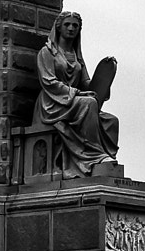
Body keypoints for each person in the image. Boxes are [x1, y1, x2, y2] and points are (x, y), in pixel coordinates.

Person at [34, 11, 118, 173]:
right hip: (53, 103)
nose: (71, 28)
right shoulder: (47, 52)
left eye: (75, 25)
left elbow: (86, 83)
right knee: (89, 103)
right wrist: (78, 94)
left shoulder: (77, 56)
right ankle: (94, 156)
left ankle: (106, 158)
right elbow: (49, 81)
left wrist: (104, 79)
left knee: (111, 120)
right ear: (59, 28)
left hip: (74, 101)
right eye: (67, 24)